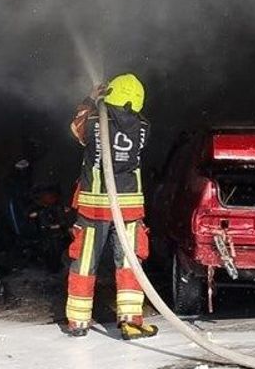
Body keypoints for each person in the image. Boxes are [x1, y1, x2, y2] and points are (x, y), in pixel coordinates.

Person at [63, 73, 158, 340]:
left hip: (94, 207)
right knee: (129, 263)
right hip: (129, 208)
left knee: (84, 263)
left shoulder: (94, 120)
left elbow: (76, 129)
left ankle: (78, 321)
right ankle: (130, 321)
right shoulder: (143, 126)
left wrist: (90, 100)